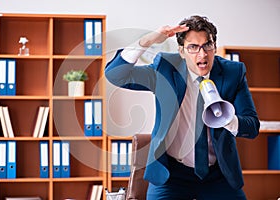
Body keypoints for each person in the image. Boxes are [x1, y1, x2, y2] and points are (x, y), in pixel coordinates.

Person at [105, 15, 260, 199]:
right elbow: (116, 75)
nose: (202, 55)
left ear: (215, 47)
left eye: (207, 45)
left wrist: (227, 119)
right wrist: (149, 39)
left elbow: (252, 127)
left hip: (217, 175)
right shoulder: (165, 68)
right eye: (193, 47)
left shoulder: (233, 73)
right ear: (181, 51)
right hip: (171, 173)